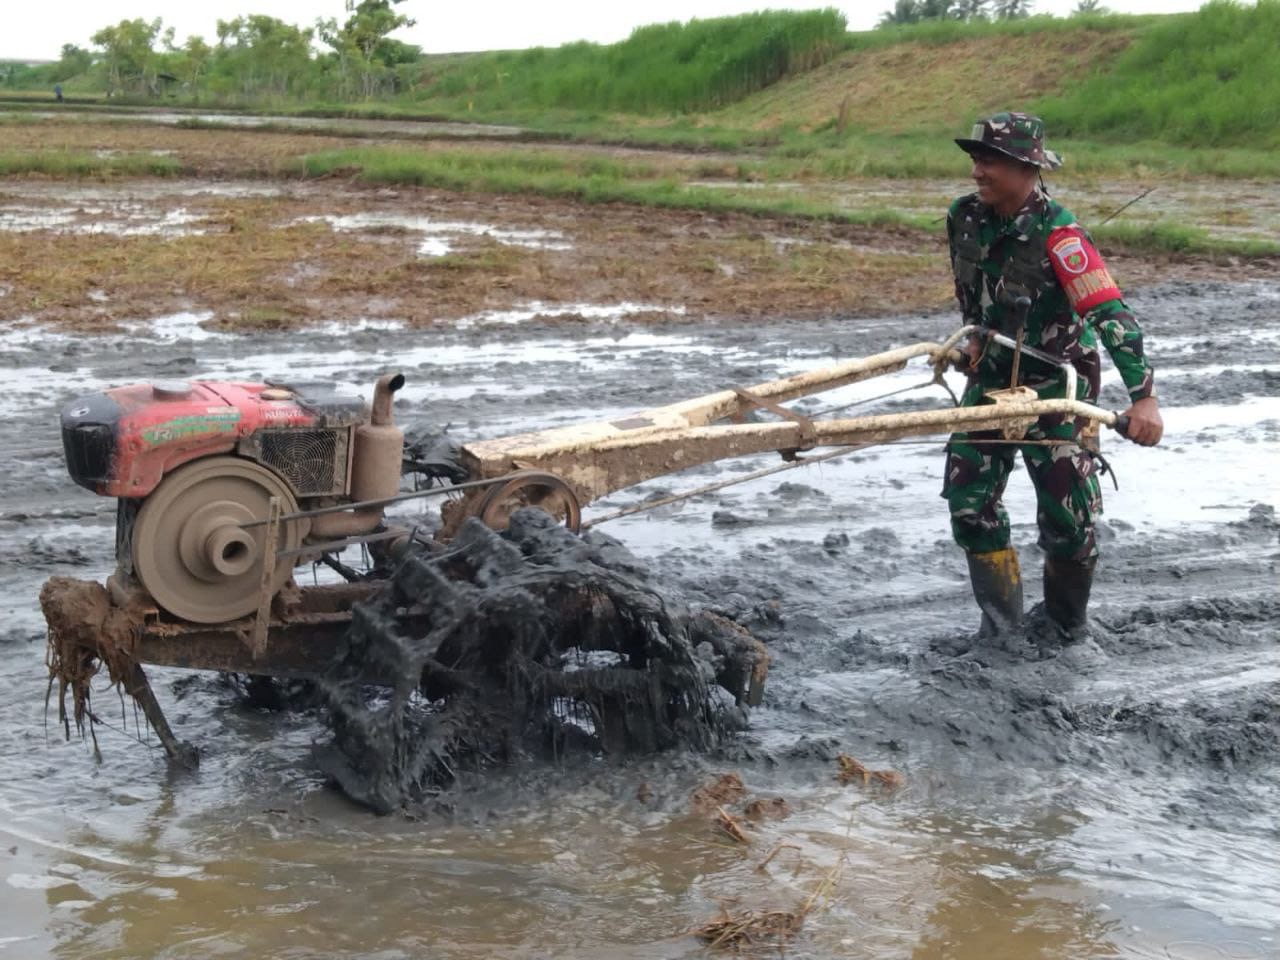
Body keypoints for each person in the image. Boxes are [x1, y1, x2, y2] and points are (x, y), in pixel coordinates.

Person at [943, 112, 1163, 644]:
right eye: (975, 159)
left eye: (989, 161)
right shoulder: (964, 217)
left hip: (1058, 384)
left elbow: (1111, 315)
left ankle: (1067, 631)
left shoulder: (1061, 236)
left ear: (1027, 168)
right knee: (969, 501)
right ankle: (1001, 633)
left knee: (1067, 518)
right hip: (994, 374)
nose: (977, 171)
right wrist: (973, 341)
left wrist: (1144, 398)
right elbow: (971, 292)